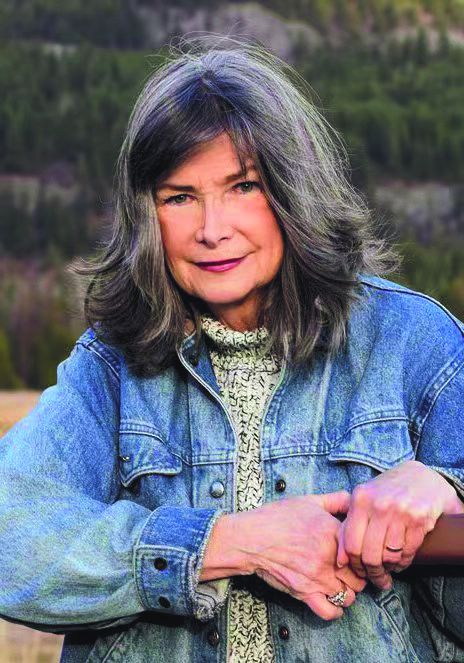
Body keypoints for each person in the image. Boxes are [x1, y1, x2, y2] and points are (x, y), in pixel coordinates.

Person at [0, 33, 463, 663]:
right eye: (179, 197)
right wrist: (228, 544)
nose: (212, 230)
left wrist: (446, 493)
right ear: (147, 216)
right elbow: (12, 537)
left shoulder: (412, 341)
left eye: (243, 186)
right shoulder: (111, 367)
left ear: (292, 192)